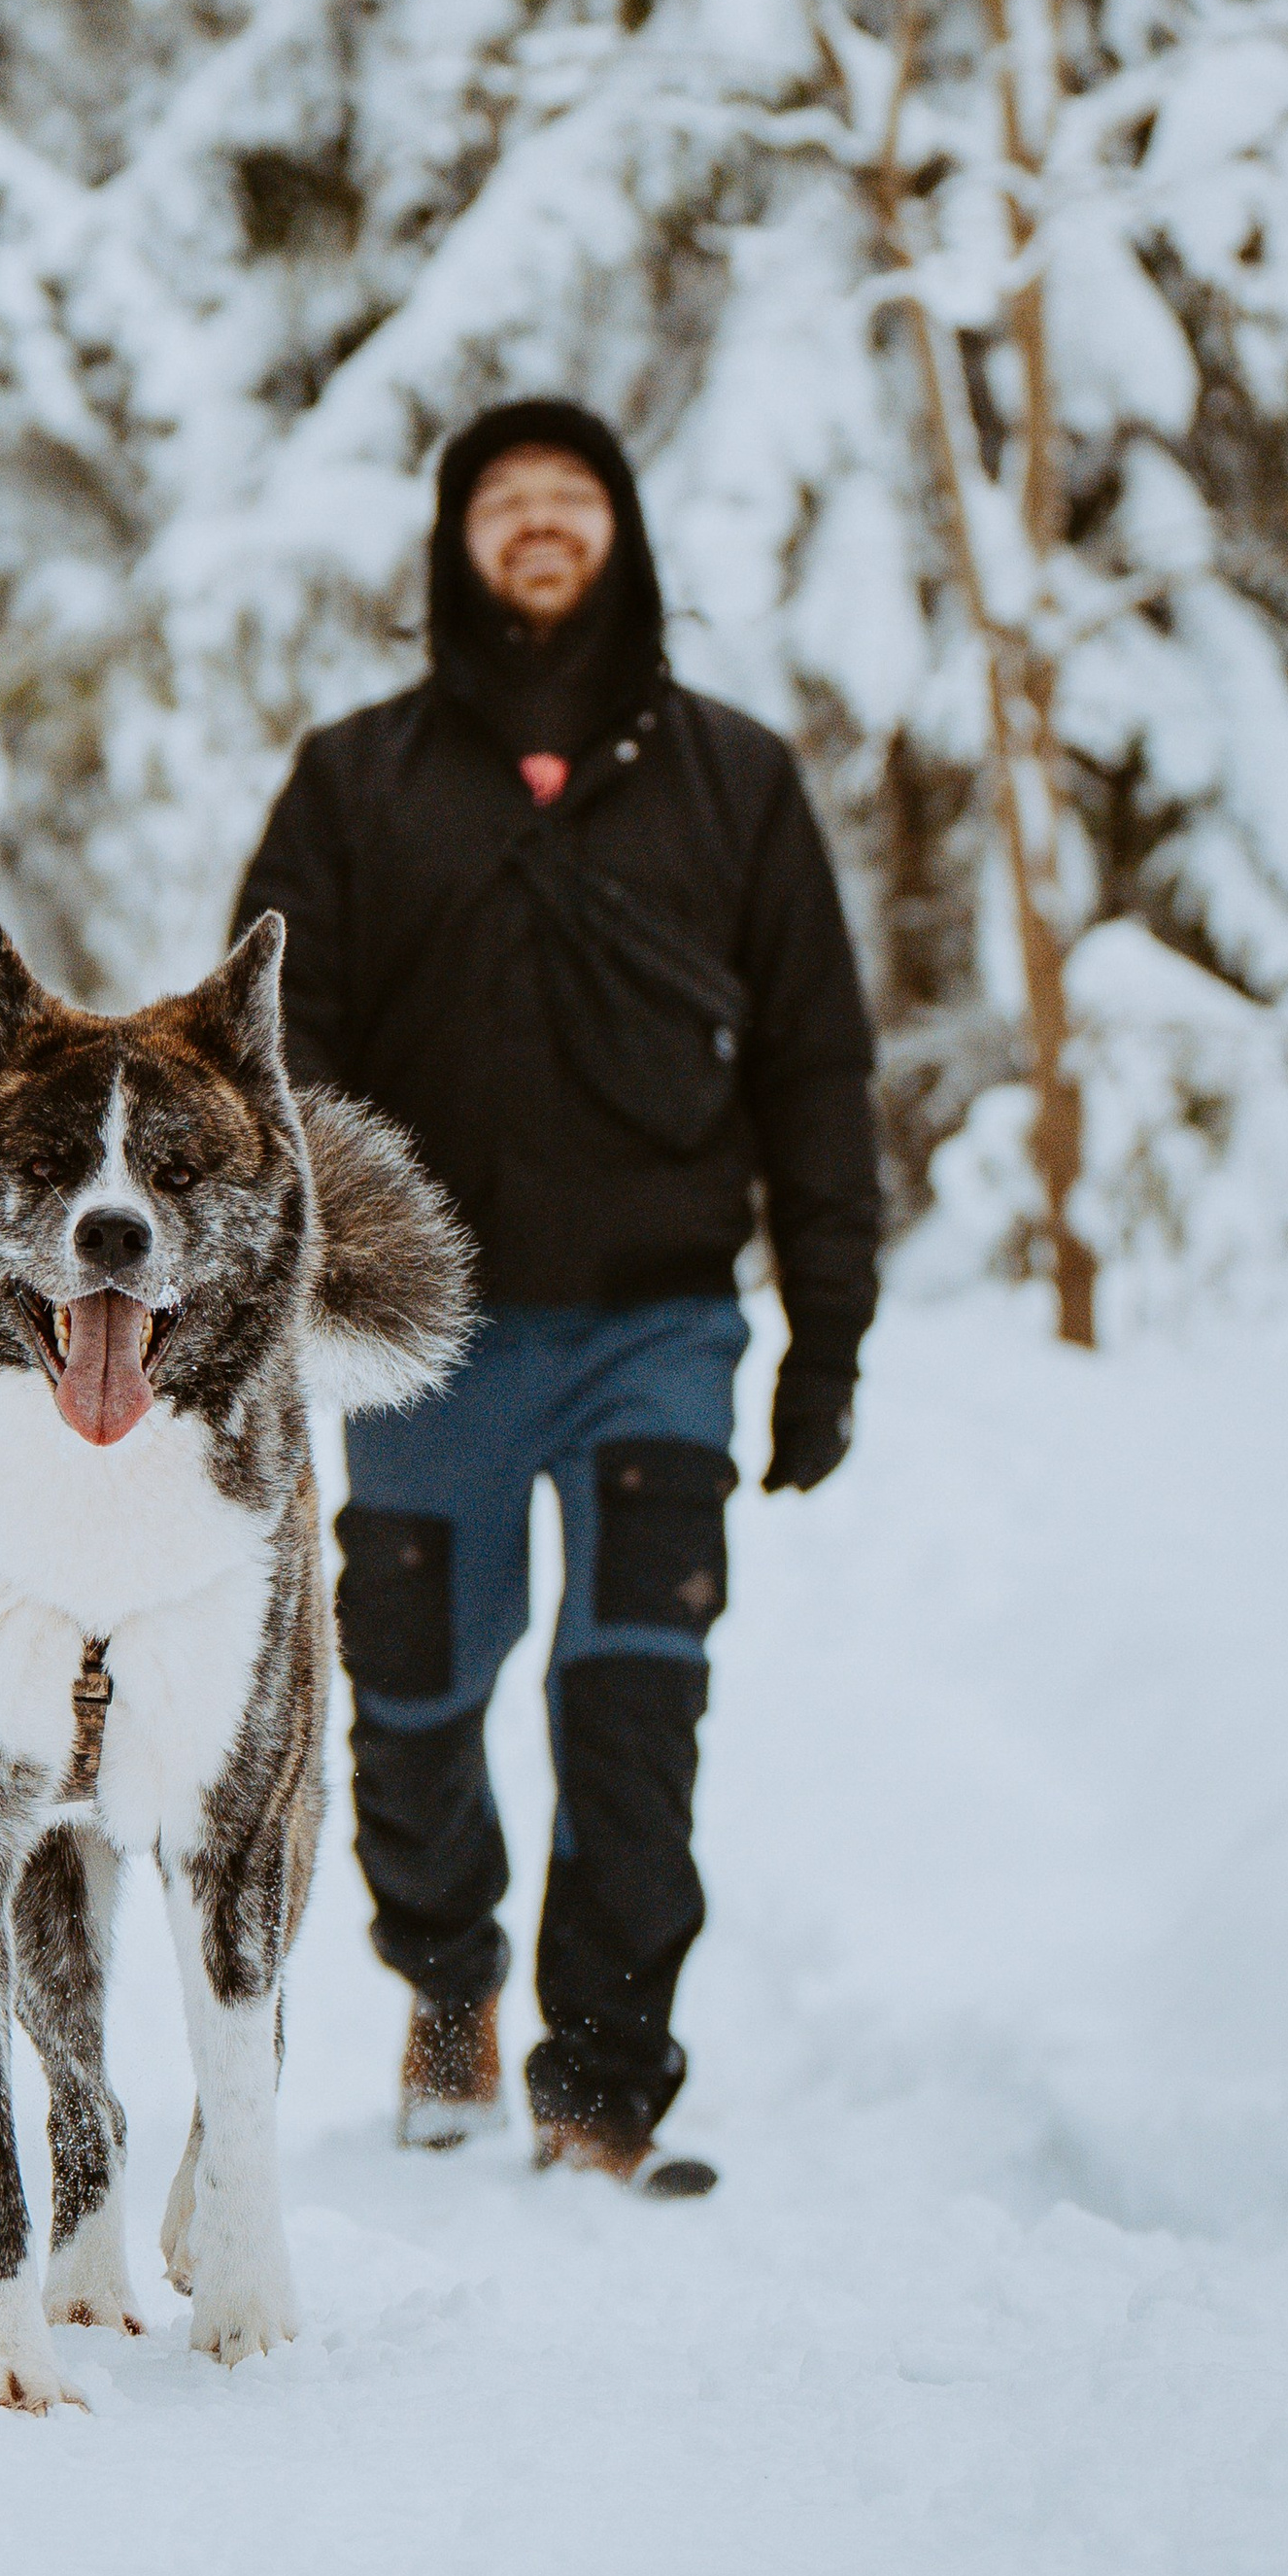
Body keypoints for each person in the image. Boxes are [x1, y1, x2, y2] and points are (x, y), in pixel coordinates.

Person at [234, 401, 879, 2192]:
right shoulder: (355, 778)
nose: (535, 521)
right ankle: (447, 1976)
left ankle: (601, 2083)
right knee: (418, 1705)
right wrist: (294, 1306)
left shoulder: (738, 780)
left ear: (620, 533)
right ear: (455, 543)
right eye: (501, 499)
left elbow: (818, 1063)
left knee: (633, 1703)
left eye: (567, 495)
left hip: (659, 1325)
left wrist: (831, 1330)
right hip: (424, 1338)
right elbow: (271, 1065)